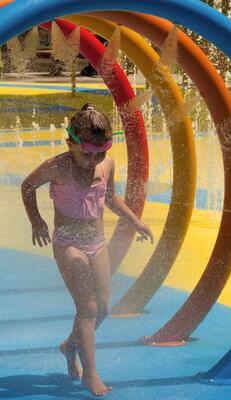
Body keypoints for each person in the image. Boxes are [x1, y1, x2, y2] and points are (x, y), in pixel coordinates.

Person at [21, 103, 153, 396]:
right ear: (71, 143)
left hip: (96, 243)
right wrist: (36, 221)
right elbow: (27, 186)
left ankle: (70, 345)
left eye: (100, 152)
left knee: (103, 307)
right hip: (67, 243)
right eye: (86, 153)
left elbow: (111, 198)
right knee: (88, 307)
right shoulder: (57, 167)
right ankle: (90, 374)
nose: (93, 160)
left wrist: (136, 222)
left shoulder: (107, 165)